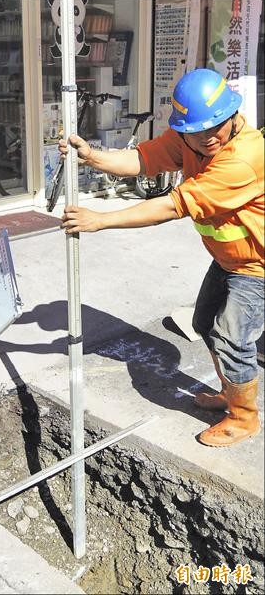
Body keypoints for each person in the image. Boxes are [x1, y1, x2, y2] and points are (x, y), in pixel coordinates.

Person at [59, 68, 264, 448]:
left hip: (257, 267)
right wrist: (92, 157)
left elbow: (173, 207)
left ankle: (244, 417)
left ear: (231, 114)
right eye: (199, 130)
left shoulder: (244, 158)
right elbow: (143, 159)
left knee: (233, 337)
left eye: (218, 124)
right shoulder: (189, 139)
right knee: (205, 323)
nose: (210, 136)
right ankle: (230, 392)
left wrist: (100, 220)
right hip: (228, 260)